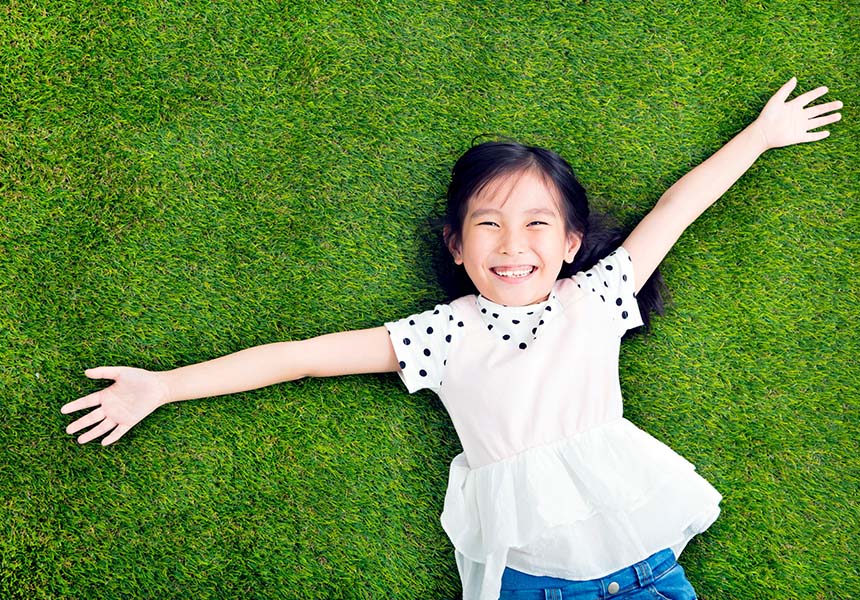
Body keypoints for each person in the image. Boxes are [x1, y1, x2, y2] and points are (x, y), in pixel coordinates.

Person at [61, 77, 842, 600]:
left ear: (571, 242)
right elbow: (297, 360)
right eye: (488, 225)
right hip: (535, 583)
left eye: (537, 223)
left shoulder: (599, 295)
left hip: (645, 571)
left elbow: (679, 205)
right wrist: (164, 384)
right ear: (457, 246)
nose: (513, 243)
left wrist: (762, 136)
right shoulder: (442, 334)